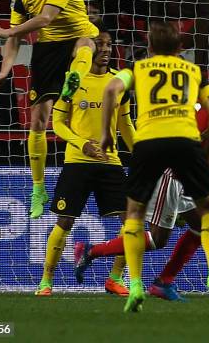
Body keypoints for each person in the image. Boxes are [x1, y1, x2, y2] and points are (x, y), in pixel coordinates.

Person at [74, 58, 209, 302]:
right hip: (174, 173)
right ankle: (91, 251)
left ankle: (164, 281)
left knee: (200, 227)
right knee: (155, 239)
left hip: (177, 168)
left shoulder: (194, 93)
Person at [0, 0, 99, 218]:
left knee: (87, 42)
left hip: (77, 37)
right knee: (38, 120)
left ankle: (75, 78)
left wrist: (9, 32)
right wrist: (4, 69)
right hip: (47, 50)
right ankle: (38, 188)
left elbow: (45, 19)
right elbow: (15, 39)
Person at [34, 24, 134, 297]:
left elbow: (125, 125)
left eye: (108, 44)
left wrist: (142, 153)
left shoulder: (119, 82)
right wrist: (83, 144)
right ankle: (46, 281)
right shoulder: (72, 80)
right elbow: (58, 123)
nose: (104, 50)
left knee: (132, 222)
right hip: (78, 160)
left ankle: (115, 278)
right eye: (99, 44)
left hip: (110, 161)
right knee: (65, 221)